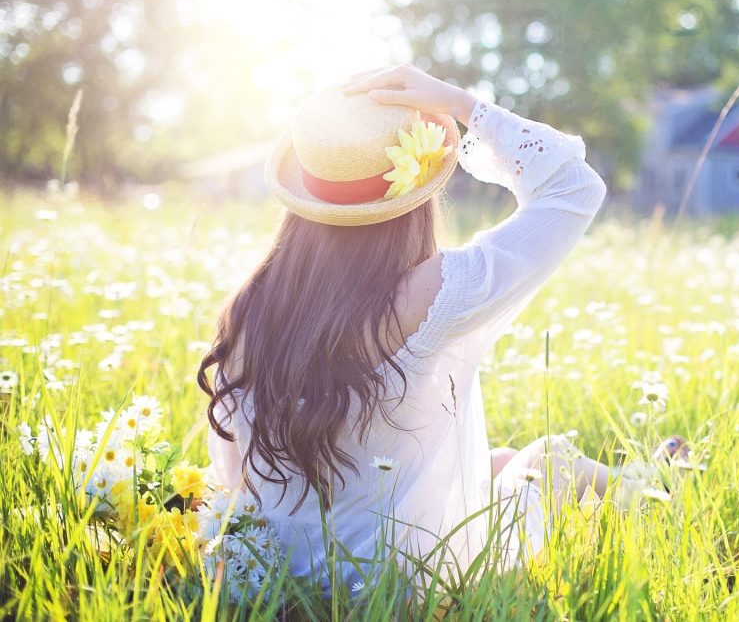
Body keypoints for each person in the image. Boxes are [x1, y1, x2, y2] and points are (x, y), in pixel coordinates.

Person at [197, 64, 685, 597]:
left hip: (278, 571)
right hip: (403, 581)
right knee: (549, 459)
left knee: (496, 462)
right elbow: (574, 188)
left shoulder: (249, 307)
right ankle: (650, 486)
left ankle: (644, 479)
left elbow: (234, 470)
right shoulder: (429, 294)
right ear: (413, 196)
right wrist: (464, 105)